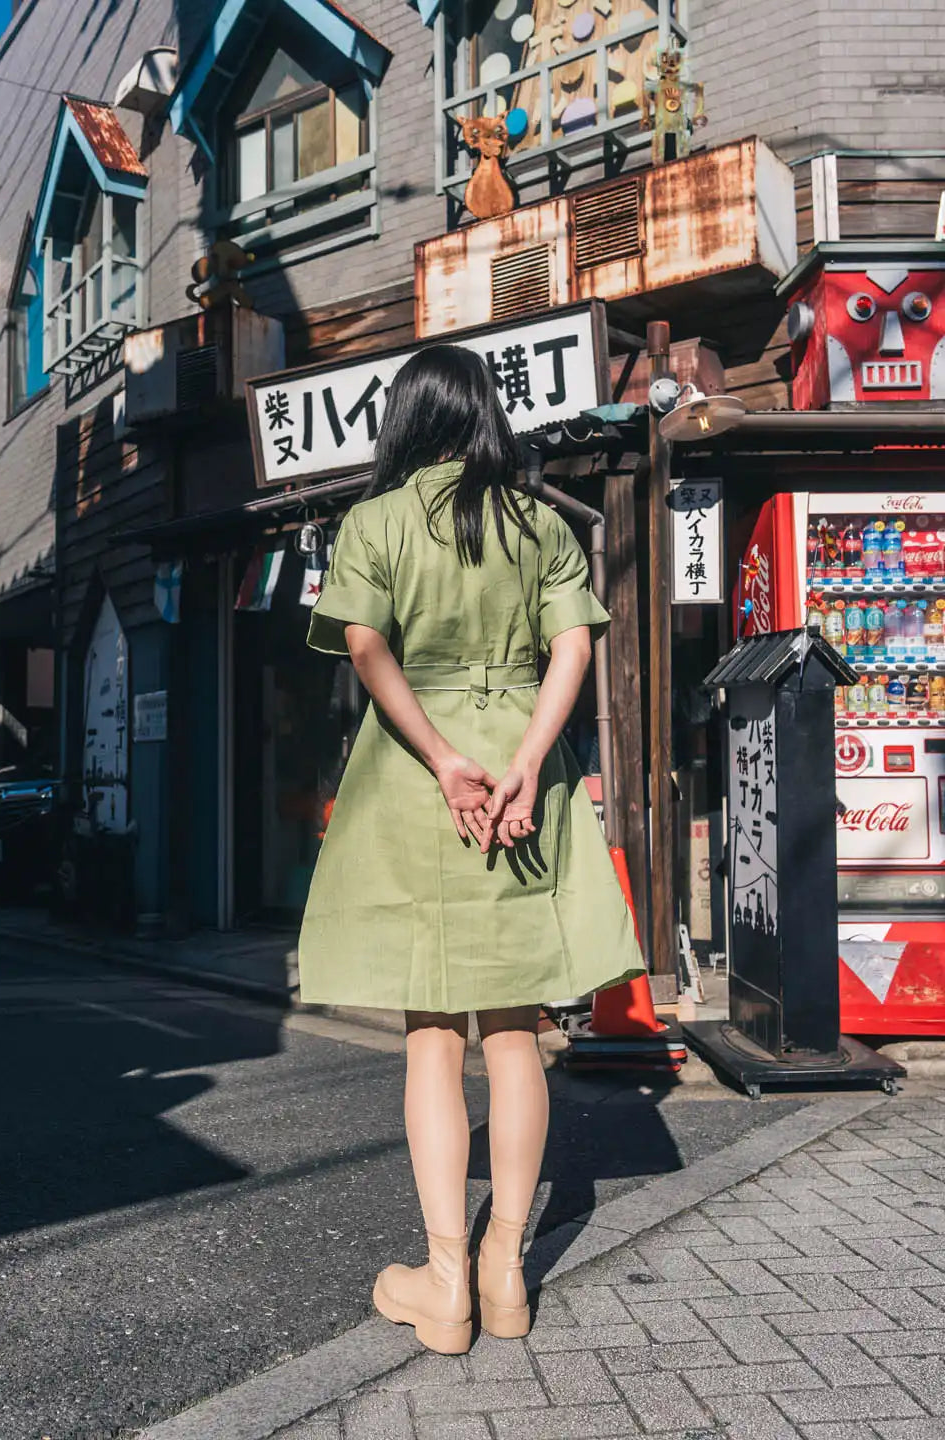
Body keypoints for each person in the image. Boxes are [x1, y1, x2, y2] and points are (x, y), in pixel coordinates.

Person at [300, 345, 644, 1354]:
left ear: (406, 418)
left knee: (432, 1037)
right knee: (515, 1029)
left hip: (422, 776)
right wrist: (529, 763)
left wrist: (447, 759)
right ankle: (505, 1273)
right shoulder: (538, 520)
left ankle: (443, 1283)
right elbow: (574, 641)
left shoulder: (378, 519)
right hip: (521, 769)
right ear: (488, 416)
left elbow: (365, 646)